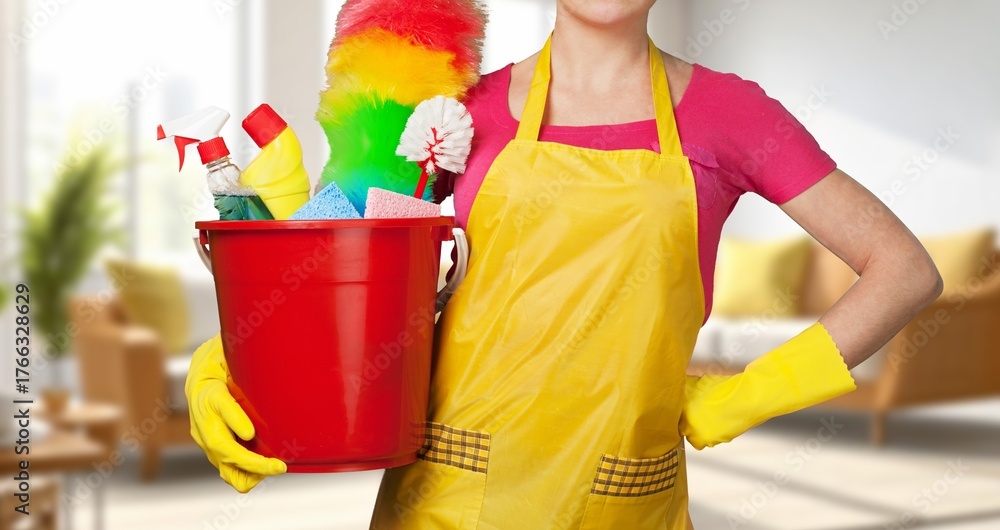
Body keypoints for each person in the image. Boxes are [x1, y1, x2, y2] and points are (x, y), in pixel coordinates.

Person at [186, 1, 944, 528]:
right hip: (447, 501)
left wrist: (745, 397)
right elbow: (329, 275)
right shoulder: (454, 115)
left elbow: (903, 269)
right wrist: (224, 364)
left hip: (623, 503)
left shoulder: (732, 115)